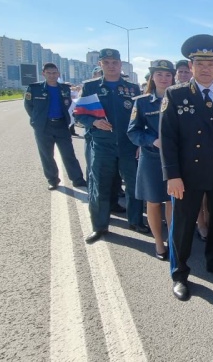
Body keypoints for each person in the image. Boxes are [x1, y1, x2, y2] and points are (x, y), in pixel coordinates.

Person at [160, 34, 213, 301]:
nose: (206, 67)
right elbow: (168, 139)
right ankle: (179, 274)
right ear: (191, 65)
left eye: (211, 62)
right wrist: (172, 175)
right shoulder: (176, 95)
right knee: (184, 224)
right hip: (187, 175)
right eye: (200, 62)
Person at [77, 49, 148, 244]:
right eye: (106, 62)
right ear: (100, 64)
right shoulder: (90, 87)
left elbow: (141, 116)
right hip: (102, 145)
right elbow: (79, 114)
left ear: (120, 64)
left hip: (128, 145)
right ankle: (99, 227)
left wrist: (140, 142)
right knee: (100, 185)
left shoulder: (132, 89)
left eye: (114, 62)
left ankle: (135, 222)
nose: (111, 66)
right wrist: (93, 122)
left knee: (134, 185)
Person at [127, 59, 175, 260]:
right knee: (154, 202)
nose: (164, 79)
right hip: (152, 158)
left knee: (172, 201)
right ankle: (158, 242)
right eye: (159, 74)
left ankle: (173, 241)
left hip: (174, 158)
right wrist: (152, 140)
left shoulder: (180, 99)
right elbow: (132, 131)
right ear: (153, 77)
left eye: (167, 75)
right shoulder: (142, 102)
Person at [24, 63, 86, 190]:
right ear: (43, 74)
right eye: (49, 73)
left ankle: (77, 179)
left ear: (58, 74)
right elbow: (28, 106)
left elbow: (68, 105)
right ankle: (52, 180)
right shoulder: (34, 88)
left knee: (68, 153)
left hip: (61, 125)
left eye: (54, 73)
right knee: (47, 155)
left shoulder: (64, 88)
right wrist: (37, 120)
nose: (52, 76)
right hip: (43, 126)